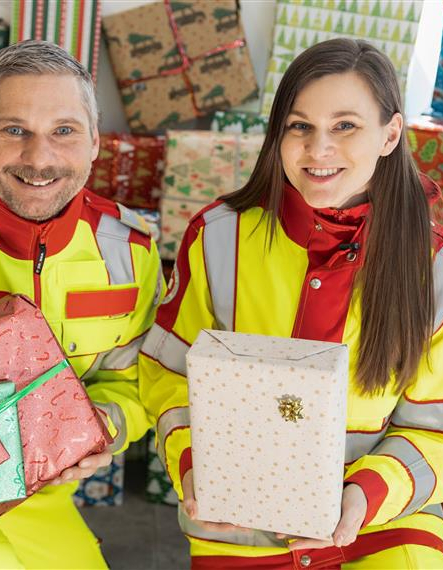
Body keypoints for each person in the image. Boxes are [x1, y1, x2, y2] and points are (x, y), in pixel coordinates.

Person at [139, 38, 443, 569]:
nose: (318, 149)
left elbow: (433, 426)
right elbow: (168, 374)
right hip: (238, 520)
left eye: (345, 126)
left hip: (386, 521)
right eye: (299, 126)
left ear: (391, 134)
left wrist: (362, 500)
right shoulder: (217, 237)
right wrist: (194, 469)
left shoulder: (434, 256)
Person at [0, 40, 163, 569]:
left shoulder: (131, 252)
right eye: (14, 130)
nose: (39, 159)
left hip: (46, 508)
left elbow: (136, 378)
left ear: (95, 143)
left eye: (63, 131)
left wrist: (107, 421)